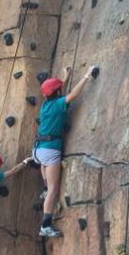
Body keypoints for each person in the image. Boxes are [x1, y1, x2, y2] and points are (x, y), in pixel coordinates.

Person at [34, 65, 96, 237]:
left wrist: (65, 76)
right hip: (50, 150)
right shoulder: (57, 105)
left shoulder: (46, 105)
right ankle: (45, 225)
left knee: (48, 183)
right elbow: (72, 95)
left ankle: (45, 188)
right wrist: (86, 76)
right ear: (57, 93)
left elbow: (56, 89)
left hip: (38, 150)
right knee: (54, 190)